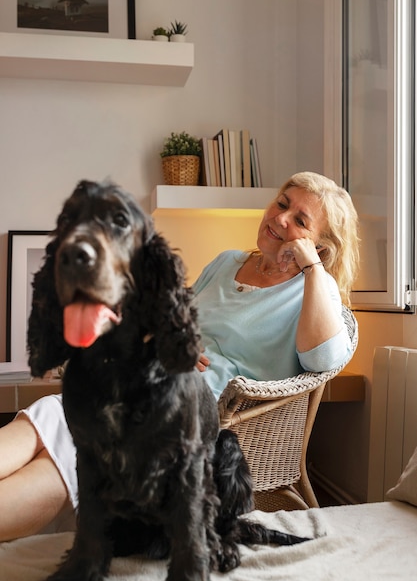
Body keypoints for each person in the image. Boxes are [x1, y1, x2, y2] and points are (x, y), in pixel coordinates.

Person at [0, 171, 359, 541]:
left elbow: (324, 360)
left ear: (319, 248)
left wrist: (313, 269)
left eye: (300, 221)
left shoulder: (315, 289)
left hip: (204, 421)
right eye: (282, 204)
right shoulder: (226, 263)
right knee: (56, 419)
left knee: (70, 437)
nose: (281, 219)